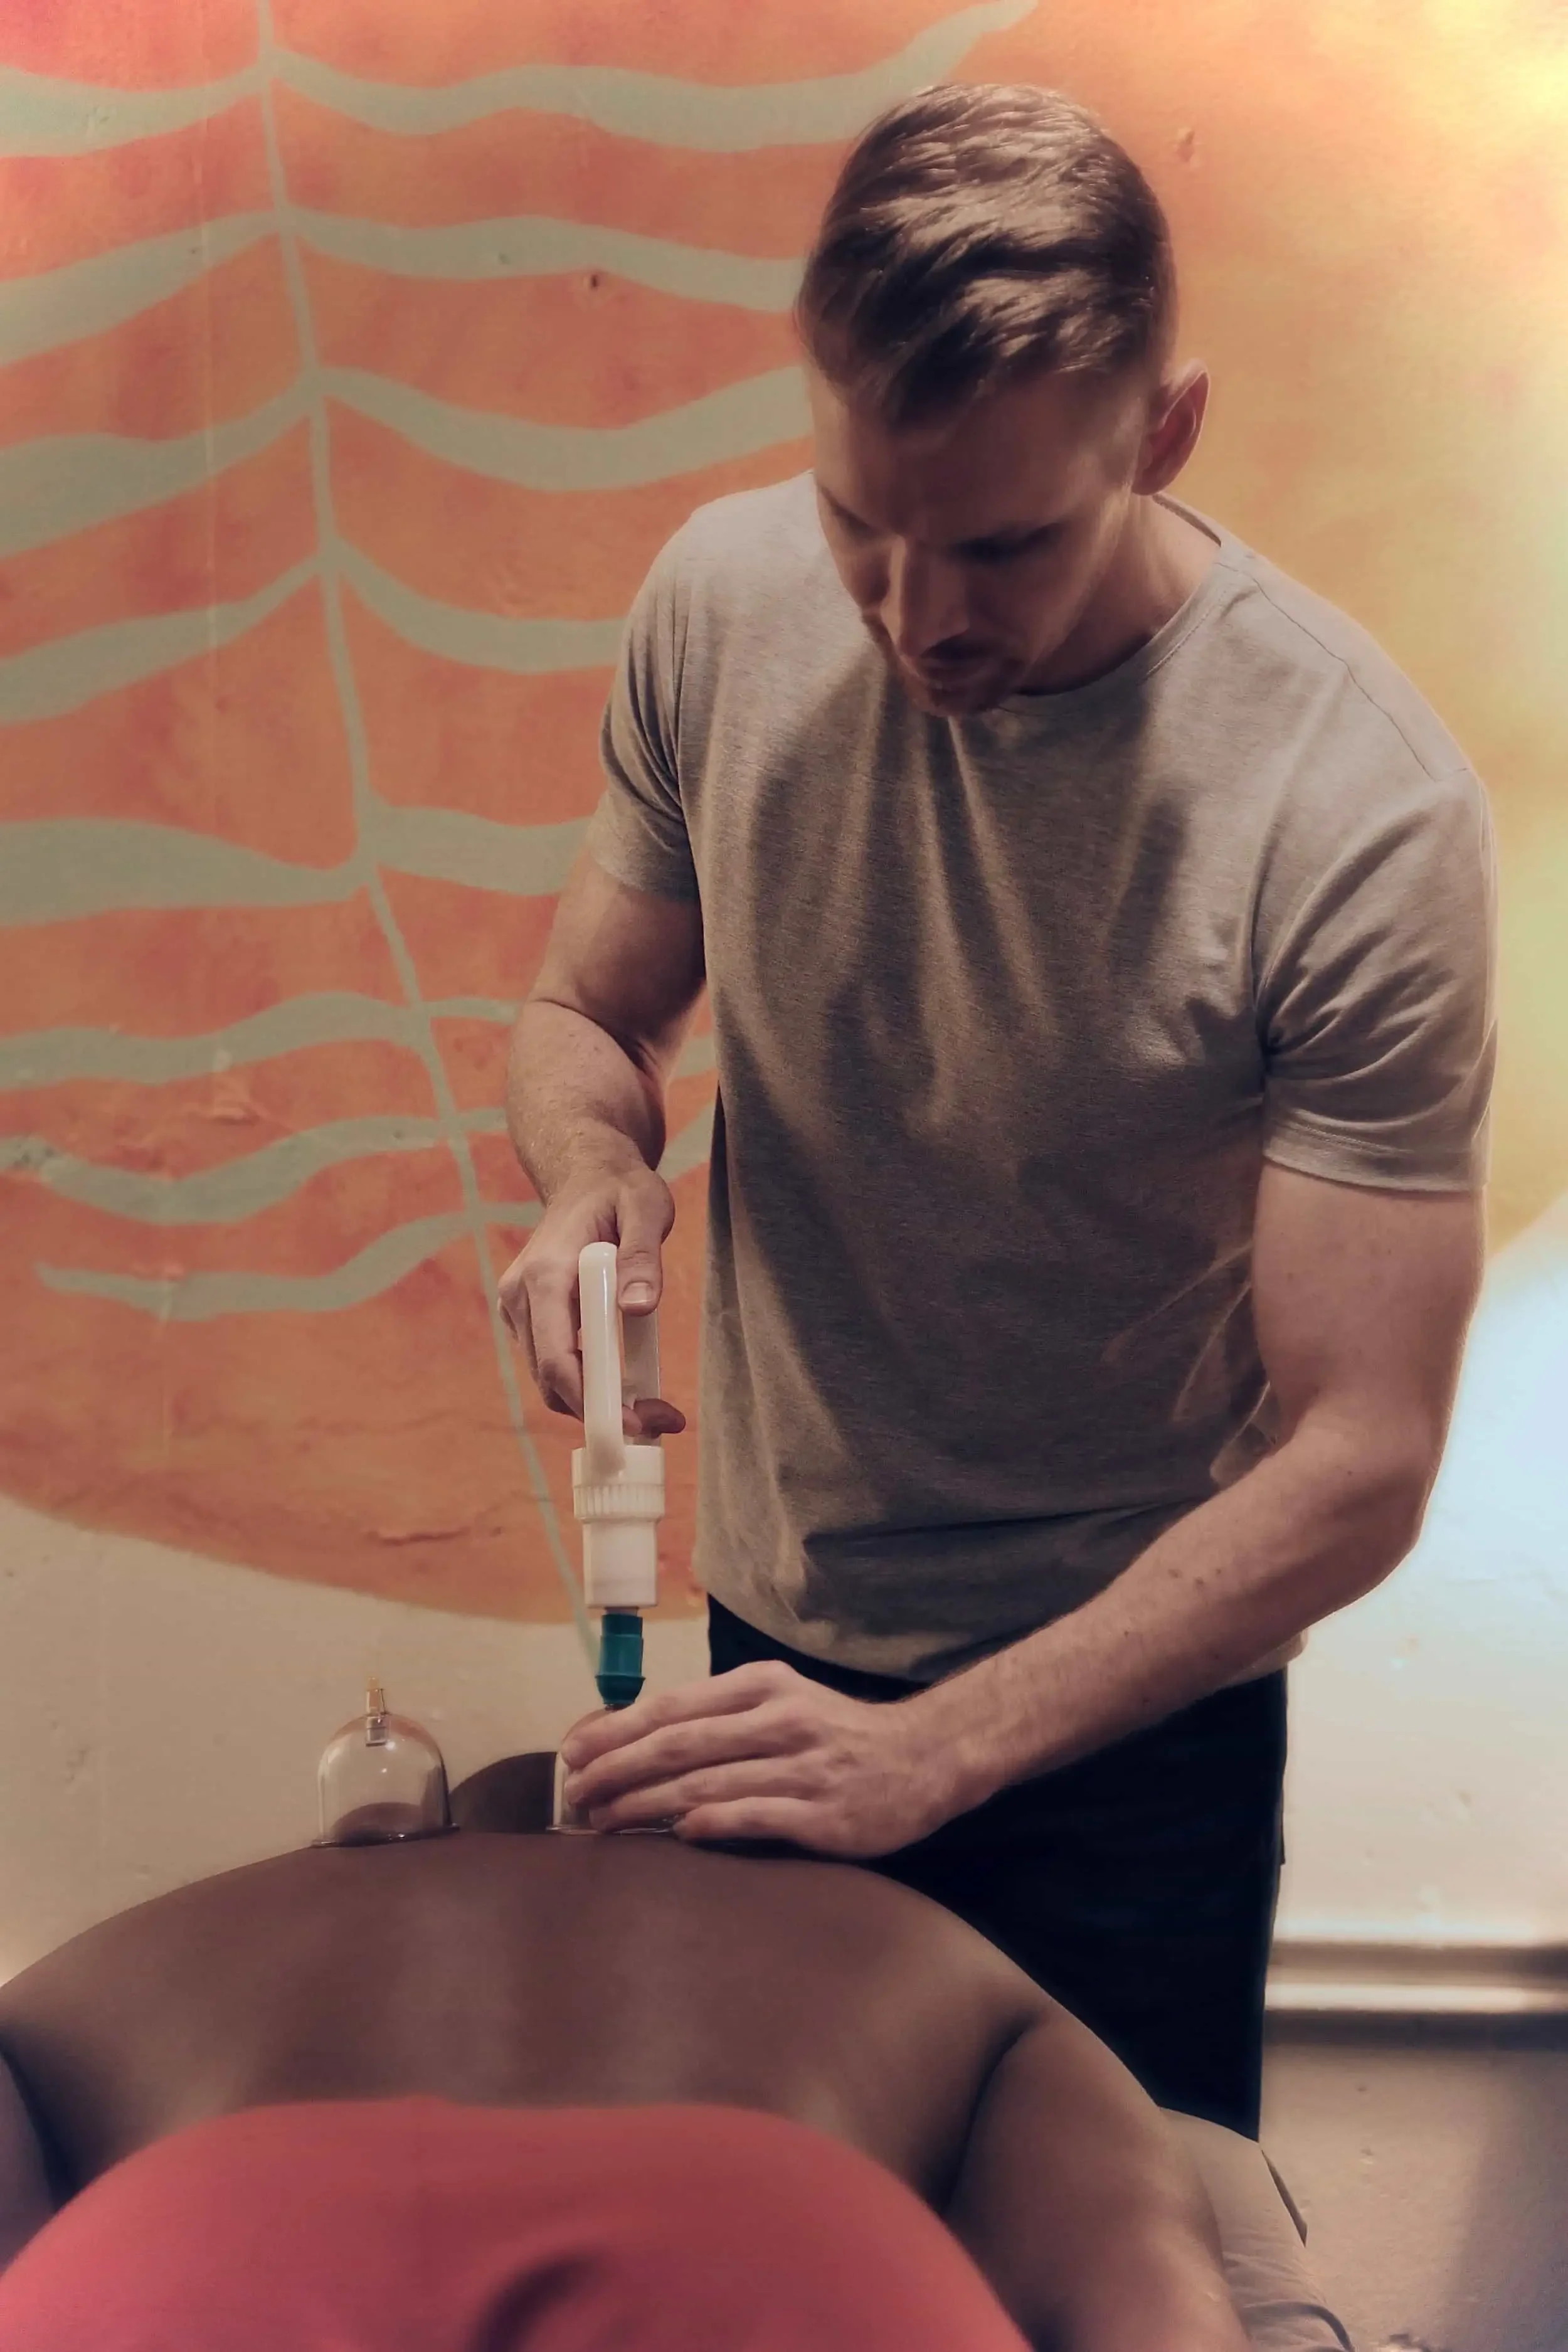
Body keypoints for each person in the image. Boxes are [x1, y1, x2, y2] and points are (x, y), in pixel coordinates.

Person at [497, 79, 1495, 2139]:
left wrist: (946, 1749)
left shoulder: (1356, 809)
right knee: (784, 2283)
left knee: (1124, 2283)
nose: (920, 614)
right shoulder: (715, 599)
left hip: (1130, 1734)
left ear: (1162, 434)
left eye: (1007, 543)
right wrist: (594, 1169)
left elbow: (1365, 1455)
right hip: (778, 1657)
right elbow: (587, 1008)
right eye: (865, 524)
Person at [0, 1766, 1311, 2352]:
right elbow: (1157, 2316)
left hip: (215, 2229)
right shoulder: (901, 1945)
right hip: (762, 2231)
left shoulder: (162, 1946)